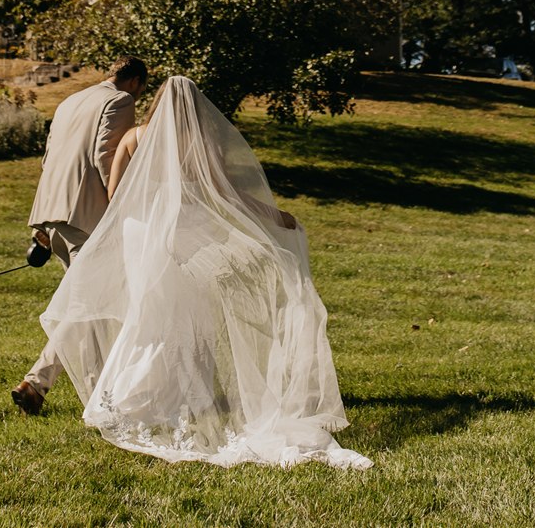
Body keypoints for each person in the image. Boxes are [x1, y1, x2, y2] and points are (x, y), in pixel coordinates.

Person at [37, 75, 370, 469]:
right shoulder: (199, 145)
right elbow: (227, 195)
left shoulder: (135, 137)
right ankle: (158, 398)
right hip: (182, 237)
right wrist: (275, 215)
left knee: (147, 316)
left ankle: (124, 399)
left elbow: (115, 196)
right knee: (182, 319)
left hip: (139, 234)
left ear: (158, 100)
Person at [10, 55, 146, 416]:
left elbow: (49, 158)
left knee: (87, 305)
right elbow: (107, 156)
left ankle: (40, 387)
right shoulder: (120, 101)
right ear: (135, 82)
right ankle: (89, 397)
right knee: (90, 306)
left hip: (52, 211)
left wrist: (43, 223)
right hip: (86, 216)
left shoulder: (71, 100)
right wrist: (122, 206)